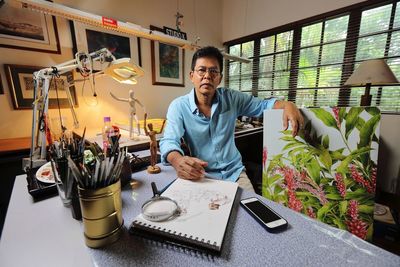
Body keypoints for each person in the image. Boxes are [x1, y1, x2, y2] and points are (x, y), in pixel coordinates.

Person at [159, 46, 304, 192]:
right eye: (201, 70)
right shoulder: (178, 106)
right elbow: (169, 141)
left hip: (235, 173)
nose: (207, 76)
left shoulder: (232, 98)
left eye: (213, 71)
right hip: (202, 175)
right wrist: (177, 160)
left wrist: (287, 104)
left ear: (220, 78)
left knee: (249, 210)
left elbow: (263, 105)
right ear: (192, 76)